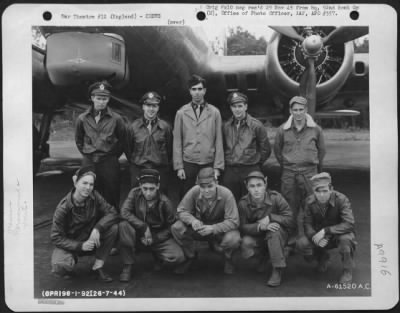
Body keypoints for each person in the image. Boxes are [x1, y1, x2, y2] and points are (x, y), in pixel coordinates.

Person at [50, 166, 119, 282]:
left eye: (91, 184)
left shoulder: (95, 196)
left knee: (113, 228)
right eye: (84, 183)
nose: (88, 188)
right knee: (59, 266)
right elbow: (56, 237)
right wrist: (80, 246)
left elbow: (112, 212)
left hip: (92, 239)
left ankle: (98, 266)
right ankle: (70, 264)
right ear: (75, 182)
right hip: (73, 243)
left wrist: (97, 228)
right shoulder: (63, 208)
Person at [273, 96, 326, 243]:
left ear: (306, 110)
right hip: (289, 173)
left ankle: (312, 235)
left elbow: (321, 151)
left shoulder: (316, 130)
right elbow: (278, 151)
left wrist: (313, 165)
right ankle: (291, 236)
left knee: (312, 204)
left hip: (309, 172)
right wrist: (289, 165)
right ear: (290, 111)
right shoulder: (282, 130)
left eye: (301, 109)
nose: (298, 113)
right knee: (290, 206)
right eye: (295, 110)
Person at [118, 169, 185, 282]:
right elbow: (124, 212)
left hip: (157, 236)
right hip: (138, 232)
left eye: (152, 189)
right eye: (145, 188)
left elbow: (171, 227)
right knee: (123, 226)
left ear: (158, 186)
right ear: (140, 186)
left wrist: (155, 238)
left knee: (178, 257)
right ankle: (128, 265)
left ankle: (157, 255)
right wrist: (143, 227)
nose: (148, 193)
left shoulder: (165, 202)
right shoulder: (134, 193)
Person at [171, 167, 241, 274]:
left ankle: (227, 258)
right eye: (202, 187)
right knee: (177, 227)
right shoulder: (194, 191)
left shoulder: (226, 194)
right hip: (199, 228)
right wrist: (193, 221)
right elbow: (181, 211)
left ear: (216, 183)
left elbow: (234, 221)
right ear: (198, 185)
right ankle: (191, 256)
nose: (206, 190)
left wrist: (213, 228)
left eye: (210, 186)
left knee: (233, 238)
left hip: (219, 230)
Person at [296, 172, 356, 284]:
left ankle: (347, 271)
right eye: (318, 191)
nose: (322, 195)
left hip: (339, 234)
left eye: (325, 191)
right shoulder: (309, 202)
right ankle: (322, 258)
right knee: (302, 244)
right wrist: (314, 236)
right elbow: (307, 223)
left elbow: (349, 223)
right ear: (314, 191)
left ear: (331, 189)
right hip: (319, 234)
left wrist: (327, 231)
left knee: (346, 240)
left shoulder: (341, 199)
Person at [75, 81, 127, 208]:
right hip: (89, 161)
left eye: (104, 99)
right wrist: (88, 154)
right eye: (98, 98)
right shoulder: (82, 118)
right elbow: (79, 140)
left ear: (108, 99)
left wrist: (111, 155)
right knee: (88, 193)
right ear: (92, 98)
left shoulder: (116, 119)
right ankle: (91, 222)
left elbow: (122, 140)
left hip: (108, 161)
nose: (101, 102)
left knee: (112, 194)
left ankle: (112, 223)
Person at [238, 171, 295, 287]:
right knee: (246, 243)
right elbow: (242, 226)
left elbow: (290, 219)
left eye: (259, 185)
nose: (256, 190)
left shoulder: (276, 198)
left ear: (265, 184)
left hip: (279, 235)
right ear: (247, 187)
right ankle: (265, 256)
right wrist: (260, 226)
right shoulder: (243, 203)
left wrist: (270, 217)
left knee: (273, 231)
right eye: (252, 186)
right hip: (259, 235)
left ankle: (277, 269)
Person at [173, 74, 224, 197]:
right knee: (187, 194)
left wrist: (217, 167)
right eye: (194, 89)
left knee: (209, 193)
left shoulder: (214, 112)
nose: (197, 92)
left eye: (200, 89)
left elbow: (219, 141)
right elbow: (177, 142)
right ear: (189, 91)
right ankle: (184, 216)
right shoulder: (181, 113)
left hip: (208, 161)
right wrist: (179, 167)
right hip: (189, 161)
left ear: (205, 91)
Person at [222, 91, 271, 200]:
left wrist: (255, 162)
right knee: (230, 199)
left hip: (250, 168)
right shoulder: (226, 126)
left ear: (246, 106)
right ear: (231, 108)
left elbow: (265, 149)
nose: (237, 109)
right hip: (231, 169)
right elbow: (223, 147)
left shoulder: (256, 126)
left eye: (240, 106)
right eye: (234, 106)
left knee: (250, 200)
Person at [127, 91, 172, 195]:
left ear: (158, 108)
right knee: (137, 197)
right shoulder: (133, 127)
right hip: (139, 168)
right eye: (148, 105)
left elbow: (169, 150)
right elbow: (128, 149)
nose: (151, 109)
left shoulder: (165, 127)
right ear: (143, 107)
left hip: (159, 168)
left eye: (154, 106)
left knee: (160, 198)